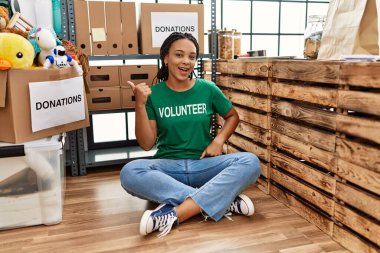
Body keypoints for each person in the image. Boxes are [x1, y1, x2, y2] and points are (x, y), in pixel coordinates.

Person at [120, 32, 260, 237]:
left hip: (204, 164)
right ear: (166, 58)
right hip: (169, 168)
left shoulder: (207, 89)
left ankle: (177, 212)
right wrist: (139, 104)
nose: (186, 61)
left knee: (251, 162)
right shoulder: (153, 95)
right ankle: (223, 201)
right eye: (179, 55)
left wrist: (218, 141)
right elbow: (147, 144)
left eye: (192, 57)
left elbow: (232, 116)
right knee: (130, 171)